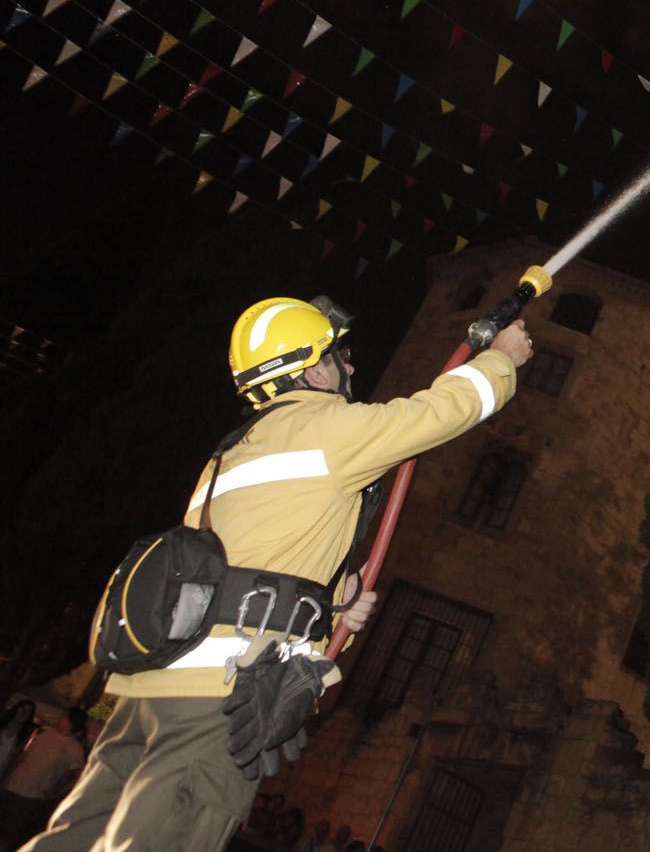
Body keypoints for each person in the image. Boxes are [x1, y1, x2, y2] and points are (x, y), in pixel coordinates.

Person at [24, 296, 534, 852]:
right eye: (340, 355)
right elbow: (443, 411)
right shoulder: (327, 429)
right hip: (221, 696)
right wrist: (501, 359)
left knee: (76, 836)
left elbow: (254, 554)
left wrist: (339, 598)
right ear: (314, 367)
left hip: (154, 690)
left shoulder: (235, 451)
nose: (352, 367)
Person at [0, 710, 86, 850]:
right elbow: (24, 756)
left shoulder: (74, 748)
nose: (59, 718)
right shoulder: (46, 734)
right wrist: (7, 775)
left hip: (30, 795)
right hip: (12, 785)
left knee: (9, 833)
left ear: (70, 722)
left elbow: (79, 776)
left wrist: (56, 793)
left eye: (63, 717)